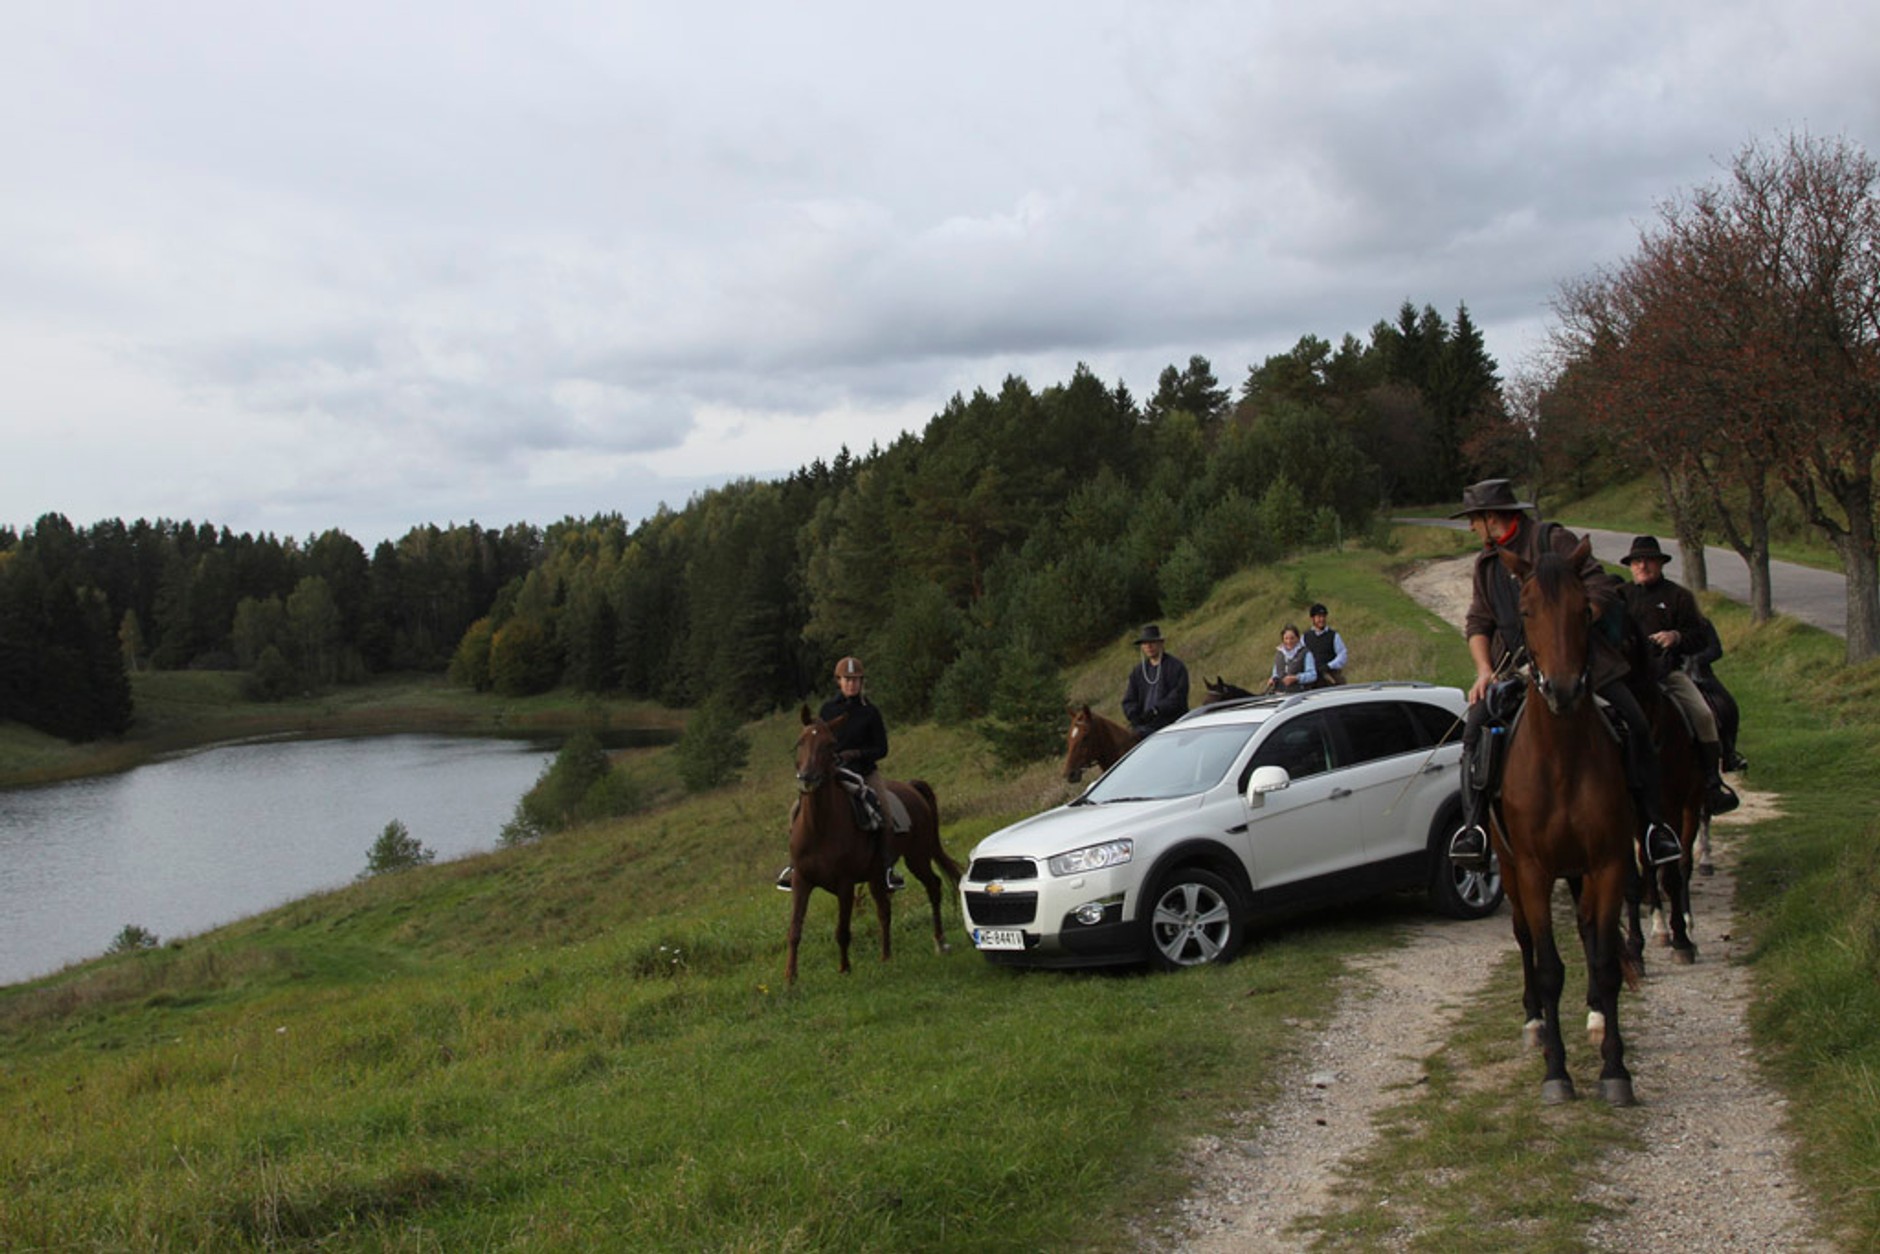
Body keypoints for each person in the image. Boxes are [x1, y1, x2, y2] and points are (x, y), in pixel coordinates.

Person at [1445, 480, 1681, 870]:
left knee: (1636, 723)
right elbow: (1478, 622)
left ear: (1491, 517)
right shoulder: (1486, 564)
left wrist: (1574, 624)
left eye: (1474, 520)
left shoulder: (1552, 539)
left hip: (1579, 661)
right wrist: (1484, 669)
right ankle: (1475, 832)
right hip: (1514, 669)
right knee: (1474, 734)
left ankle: (1654, 827)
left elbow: (1601, 586)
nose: (1471, 528)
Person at [1617, 535, 1740, 815]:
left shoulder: (1679, 596)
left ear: (1660, 563)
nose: (1643, 565)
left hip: (1667, 675)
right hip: (1626, 679)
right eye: (1637, 561)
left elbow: (1700, 636)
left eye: (1648, 560)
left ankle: (1712, 781)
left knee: (1704, 715)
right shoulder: (1620, 596)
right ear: (1630, 566)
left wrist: (1676, 636)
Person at [775, 655, 908, 892]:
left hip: (865, 772)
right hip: (834, 772)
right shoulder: (828, 709)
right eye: (847, 679)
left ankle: (887, 868)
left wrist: (855, 754)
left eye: (856, 680)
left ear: (861, 682)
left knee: (885, 811)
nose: (852, 684)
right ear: (839, 681)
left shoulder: (871, 712)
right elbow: (819, 742)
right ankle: (795, 866)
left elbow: (882, 748)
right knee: (797, 810)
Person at [1121, 624, 1190, 738]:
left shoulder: (1176, 667)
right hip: (1144, 727)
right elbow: (1129, 699)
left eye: (1152, 642)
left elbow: (1178, 696)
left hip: (1172, 725)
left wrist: (1156, 710)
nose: (1148, 646)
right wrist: (1133, 714)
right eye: (1144, 643)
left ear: (1160, 643)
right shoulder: (1138, 671)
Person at [1301, 603, 1348, 687]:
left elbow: (1342, 655)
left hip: (1330, 675)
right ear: (1312, 618)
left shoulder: (1334, 636)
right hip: (1312, 676)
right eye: (1319, 617)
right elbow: (1300, 656)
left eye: (1323, 616)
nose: (1322, 619)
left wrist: (1329, 666)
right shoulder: (1305, 637)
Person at [1264, 624, 1318, 693]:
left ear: (1298, 638)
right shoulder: (1279, 653)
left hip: (1300, 693)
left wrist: (1296, 678)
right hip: (1279, 693)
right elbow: (1276, 672)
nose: (1289, 641)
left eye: (1292, 638)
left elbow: (1313, 675)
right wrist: (1273, 679)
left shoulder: (1306, 653)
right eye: (1286, 638)